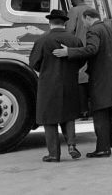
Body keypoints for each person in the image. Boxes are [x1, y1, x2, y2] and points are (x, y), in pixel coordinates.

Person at [53, 8, 112, 158]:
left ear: (88, 18)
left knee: (100, 114)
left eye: (83, 21)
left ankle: (102, 149)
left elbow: (92, 49)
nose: (84, 25)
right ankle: (106, 146)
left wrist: (69, 52)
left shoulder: (94, 30)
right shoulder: (110, 30)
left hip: (101, 81)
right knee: (108, 115)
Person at [29, 9, 84, 162]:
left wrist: (47, 69)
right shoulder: (74, 40)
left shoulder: (42, 40)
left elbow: (34, 63)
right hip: (70, 83)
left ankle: (54, 154)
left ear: (50, 22)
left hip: (48, 84)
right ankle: (72, 145)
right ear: (65, 22)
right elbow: (82, 59)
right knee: (69, 116)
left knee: (49, 118)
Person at [65, 0, 92, 116]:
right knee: (89, 76)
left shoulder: (74, 10)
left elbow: (69, 30)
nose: (70, 1)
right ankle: (90, 108)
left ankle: (82, 110)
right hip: (92, 48)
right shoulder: (92, 11)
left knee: (80, 78)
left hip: (78, 49)